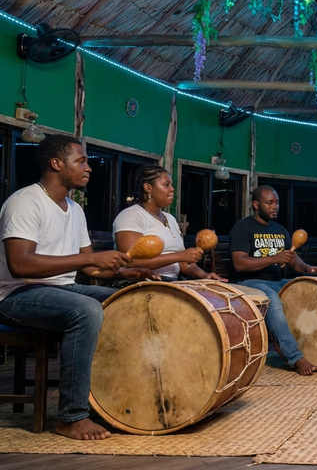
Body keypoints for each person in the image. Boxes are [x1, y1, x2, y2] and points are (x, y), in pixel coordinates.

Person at [0, 135, 158, 440]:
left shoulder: (74, 209)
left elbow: (90, 268)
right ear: (57, 164)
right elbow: (20, 264)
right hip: (14, 295)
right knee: (86, 310)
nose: (89, 167)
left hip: (60, 290)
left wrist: (126, 271)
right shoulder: (25, 202)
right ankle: (71, 417)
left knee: (129, 300)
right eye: (81, 161)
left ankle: (110, 400)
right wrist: (92, 258)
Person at [229, 185, 317, 376]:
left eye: (276, 202)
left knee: (309, 290)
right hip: (249, 283)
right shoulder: (243, 228)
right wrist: (274, 258)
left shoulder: (280, 229)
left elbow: (293, 260)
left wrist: (309, 269)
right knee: (272, 300)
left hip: (277, 281)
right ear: (256, 204)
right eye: (269, 203)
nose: (275, 206)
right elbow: (239, 263)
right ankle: (295, 357)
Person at [113, 165, 225, 281]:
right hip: (143, 283)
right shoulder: (130, 215)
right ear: (148, 188)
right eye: (166, 185)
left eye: (171, 185)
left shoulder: (170, 218)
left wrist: (205, 276)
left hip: (172, 282)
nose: (172, 189)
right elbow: (130, 261)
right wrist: (179, 256)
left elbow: (182, 263)